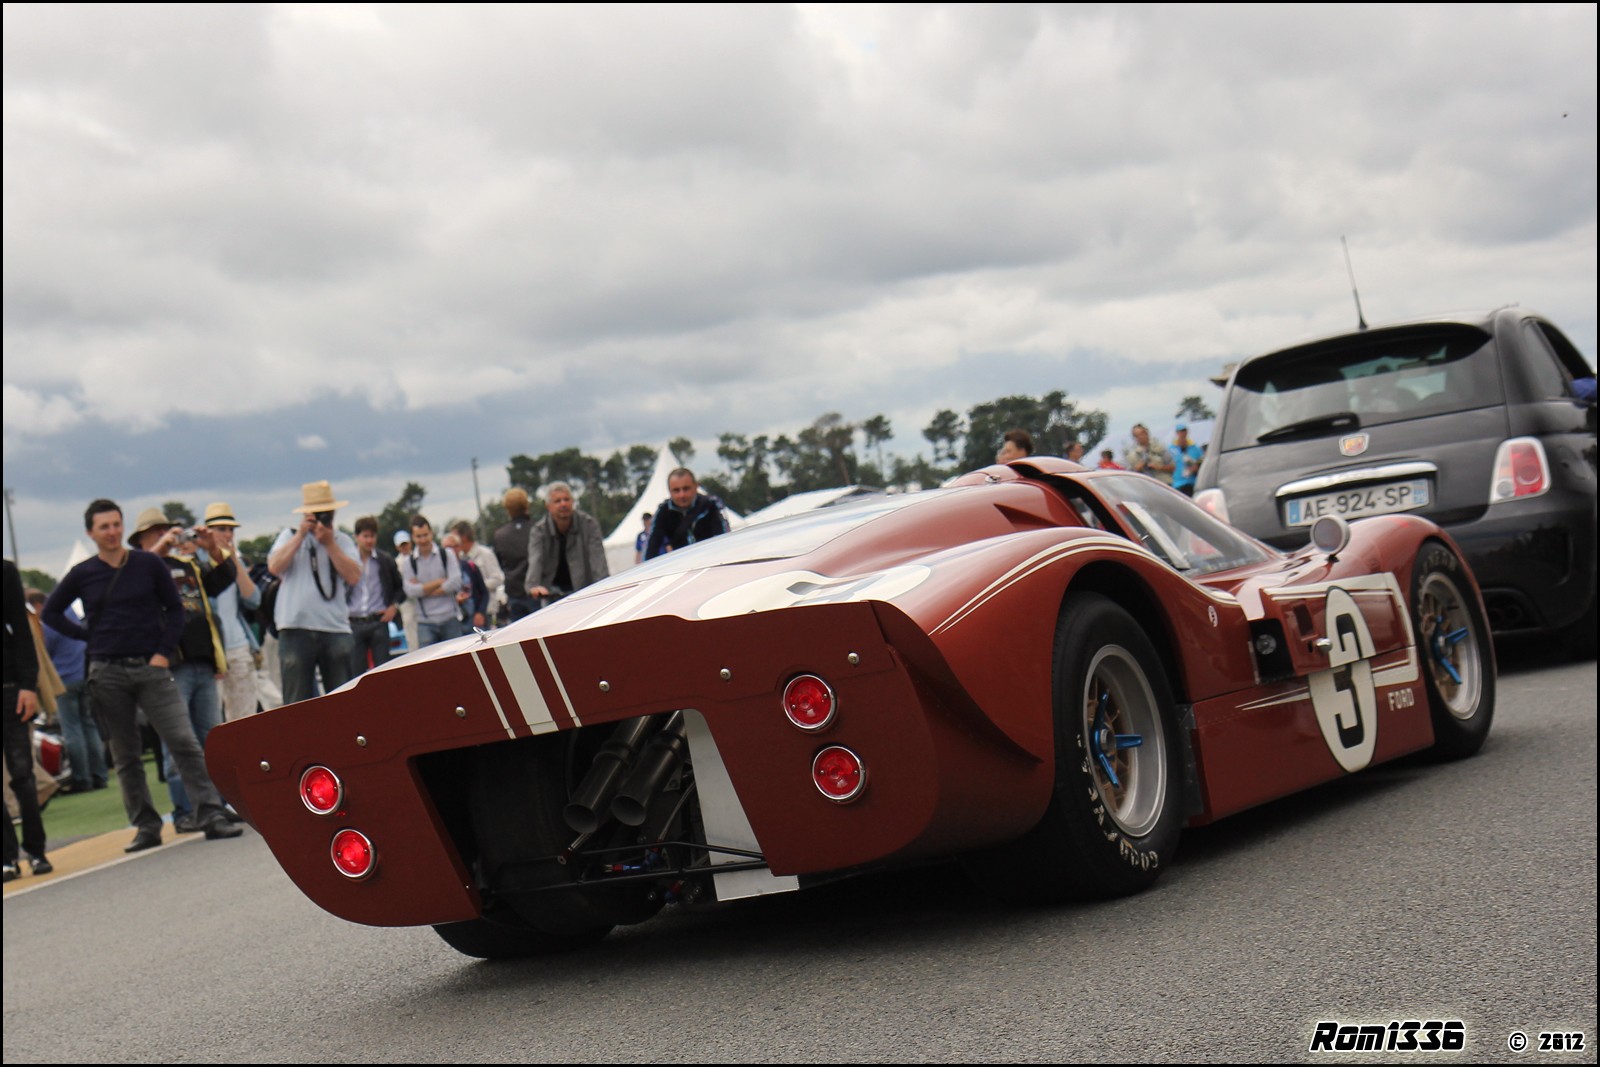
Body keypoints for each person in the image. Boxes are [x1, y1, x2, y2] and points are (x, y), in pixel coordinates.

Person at [41, 500, 242, 851]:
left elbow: (176, 608)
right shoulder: (83, 573)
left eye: (116, 524)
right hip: (107, 671)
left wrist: (163, 653)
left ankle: (210, 813)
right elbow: (52, 613)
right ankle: (146, 825)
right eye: (104, 527)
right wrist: (88, 637)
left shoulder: (147, 564)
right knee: (126, 754)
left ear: (122, 527)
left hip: (152, 667)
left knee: (184, 741)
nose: (112, 531)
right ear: (91, 533)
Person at [129, 506, 241, 832]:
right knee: (176, 740)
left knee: (210, 738)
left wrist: (210, 546)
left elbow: (227, 574)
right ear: (143, 539)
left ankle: (215, 805)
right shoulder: (138, 570)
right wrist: (160, 547)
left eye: (167, 530)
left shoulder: (187, 566)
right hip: (170, 664)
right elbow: (136, 578)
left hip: (202, 660)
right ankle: (183, 811)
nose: (167, 536)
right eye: (157, 532)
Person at [269, 481, 362, 706]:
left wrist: (329, 544)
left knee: (342, 700)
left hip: (334, 628)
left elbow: (354, 576)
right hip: (295, 628)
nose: (322, 519)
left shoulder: (342, 541)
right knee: (296, 702)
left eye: (326, 514)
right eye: (317, 514)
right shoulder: (290, 536)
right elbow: (274, 567)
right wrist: (300, 536)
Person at [29, 588, 106, 793]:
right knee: (89, 726)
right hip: (83, 673)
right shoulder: (71, 614)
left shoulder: (48, 624)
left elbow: (44, 652)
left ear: (37, 605)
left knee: (72, 730)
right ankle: (100, 773)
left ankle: (82, 778)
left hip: (64, 680)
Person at [4, 560, 51, 881]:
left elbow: (22, 630)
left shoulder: (5, 573)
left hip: (10, 688)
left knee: (22, 774)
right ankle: (6, 858)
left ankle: (36, 850)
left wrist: (27, 685)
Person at [201, 502, 262, 722]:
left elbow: (254, 600)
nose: (227, 534)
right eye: (221, 529)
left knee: (245, 717)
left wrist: (233, 559)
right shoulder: (197, 562)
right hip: (211, 651)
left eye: (230, 529)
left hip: (238, 646)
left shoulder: (234, 561)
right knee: (211, 718)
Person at [527, 482, 609, 601]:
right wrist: (534, 586)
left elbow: (598, 559)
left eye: (566, 499)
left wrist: (604, 586)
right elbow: (535, 559)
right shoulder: (538, 531)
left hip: (585, 590)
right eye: (558, 501)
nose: (563, 504)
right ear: (548, 506)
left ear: (572, 502)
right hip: (552, 592)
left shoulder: (589, 524)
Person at [347, 515, 404, 676]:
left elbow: (400, 588)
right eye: (365, 536)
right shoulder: (349, 562)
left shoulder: (384, 560)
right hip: (354, 621)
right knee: (356, 671)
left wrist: (393, 607)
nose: (369, 541)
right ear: (357, 537)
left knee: (383, 671)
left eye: (372, 536)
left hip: (378, 620)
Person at [402, 515, 464, 646]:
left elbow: (456, 582)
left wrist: (423, 590)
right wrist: (440, 581)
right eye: (418, 536)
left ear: (431, 533)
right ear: (413, 538)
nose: (423, 540)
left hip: (449, 617)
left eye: (425, 535)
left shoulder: (446, 555)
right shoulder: (409, 562)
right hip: (425, 622)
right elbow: (410, 591)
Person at [644, 469, 729, 560]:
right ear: (670, 491)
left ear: (696, 486)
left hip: (712, 561)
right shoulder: (663, 512)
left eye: (686, 489)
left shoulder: (711, 505)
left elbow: (724, 539)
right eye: (676, 490)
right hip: (682, 566)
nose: (682, 495)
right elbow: (651, 548)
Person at [493, 489, 537, 622]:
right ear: (526, 505)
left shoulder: (500, 535)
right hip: (536, 591)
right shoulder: (537, 529)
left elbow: (501, 563)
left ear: (508, 509)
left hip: (514, 592)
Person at [449, 521, 503, 621]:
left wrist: (477, 587)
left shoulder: (485, 554)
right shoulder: (459, 558)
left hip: (487, 610)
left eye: (454, 537)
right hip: (467, 613)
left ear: (463, 537)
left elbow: (497, 579)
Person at [442, 530, 490, 630]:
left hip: (474, 618)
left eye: (453, 546)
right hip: (454, 621)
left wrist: (480, 612)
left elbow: (484, 592)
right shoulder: (441, 571)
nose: (450, 551)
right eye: (447, 548)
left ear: (459, 547)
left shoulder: (470, 566)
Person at [393, 529, 420, 652]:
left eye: (406, 543)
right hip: (406, 602)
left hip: (422, 599)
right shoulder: (395, 563)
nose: (404, 547)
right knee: (411, 634)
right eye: (401, 545)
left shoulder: (418, 557)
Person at [1169, 424, 1205, 497]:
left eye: (1184, 431)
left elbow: (1202, 461)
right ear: (1177, 433)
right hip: (1177, 483)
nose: (1182, 434)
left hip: (1192, 482)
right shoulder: (1171, 449)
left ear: (1187, 432)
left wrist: (1196, 467)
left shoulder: (1195, 448)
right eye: (1180, 432)